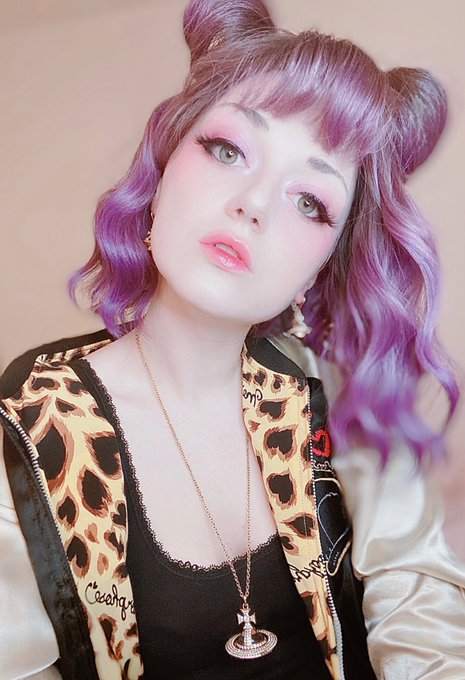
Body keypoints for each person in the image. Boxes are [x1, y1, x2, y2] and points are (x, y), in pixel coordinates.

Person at [1, 0, 464, 678]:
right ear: (164, 164)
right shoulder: (30, 422)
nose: (253, 203)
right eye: (227, 150)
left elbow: (421, 620)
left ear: (322, 263)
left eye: (309, 201)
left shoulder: (337, 399)